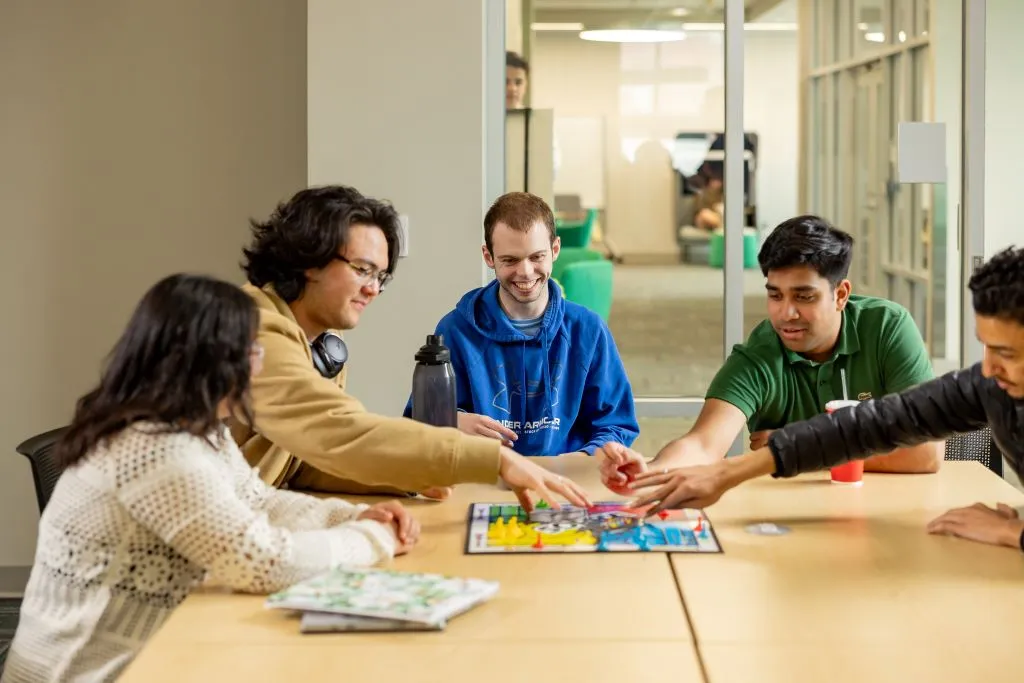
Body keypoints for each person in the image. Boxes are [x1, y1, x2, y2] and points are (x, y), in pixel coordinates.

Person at [1, 274, 419, 683]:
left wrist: (353, 517)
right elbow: (262, 562)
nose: (261, 363)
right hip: (88, 672)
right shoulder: (153, 448)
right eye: (252, 350)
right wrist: (374, 540)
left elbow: (261, 501)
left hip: (155, 653)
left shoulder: (196, 429)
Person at [624, 246, 1024, 552]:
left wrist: (1014, 531)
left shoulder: (886, 326)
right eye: (985, 348)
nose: (987, 368)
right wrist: (727, 473)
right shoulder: (988, 386)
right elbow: (869, 425)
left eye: (1005, 353)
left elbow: (923, 457)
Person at [230, 185, 590, 511]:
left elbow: (306, 458)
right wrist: (491, 460)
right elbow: (337, 430)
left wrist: (412, 477)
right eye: (362, 269)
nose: (373, 289)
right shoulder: (254, 332)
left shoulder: (324, 342)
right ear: (308, 258)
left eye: (380, 277)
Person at [600, 215, 942, 494]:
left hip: (888, 510)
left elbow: (925, 453)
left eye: (803, 297)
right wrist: (650, 472)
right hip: (792, 519)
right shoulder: (760, 355)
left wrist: (798, 445)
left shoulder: (887, 327)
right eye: (775, 295)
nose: (785, 314)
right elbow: (703, 445)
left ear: (840, 295)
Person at [403, 191, 638, 458]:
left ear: (555, 250)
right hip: (485, 478)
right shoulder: (455, 330)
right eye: (510, 260)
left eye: (537, 257)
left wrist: (582, 460)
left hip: (566, 482)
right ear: (489, 257)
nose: (525, 272)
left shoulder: (588, 330)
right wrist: (451, 421)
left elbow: (616, 424)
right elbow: (419, 423)